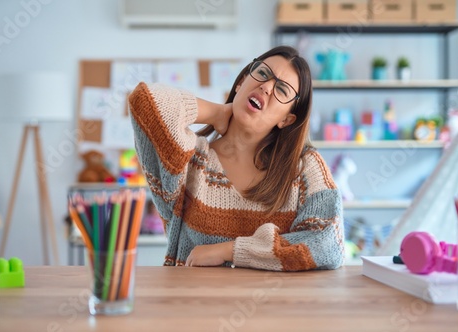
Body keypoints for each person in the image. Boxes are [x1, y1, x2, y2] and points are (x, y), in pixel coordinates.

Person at [129, 46, 344, 271]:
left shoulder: (304, 168)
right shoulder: (190, 161)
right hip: (191, 302)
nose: (267, 86)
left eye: (282, 89)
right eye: (262, 73)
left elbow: (328, 244)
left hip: (273, 305)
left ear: (287, 119)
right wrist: (216, 113)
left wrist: (231, 250)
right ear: (241, 83)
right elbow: (144, 100)